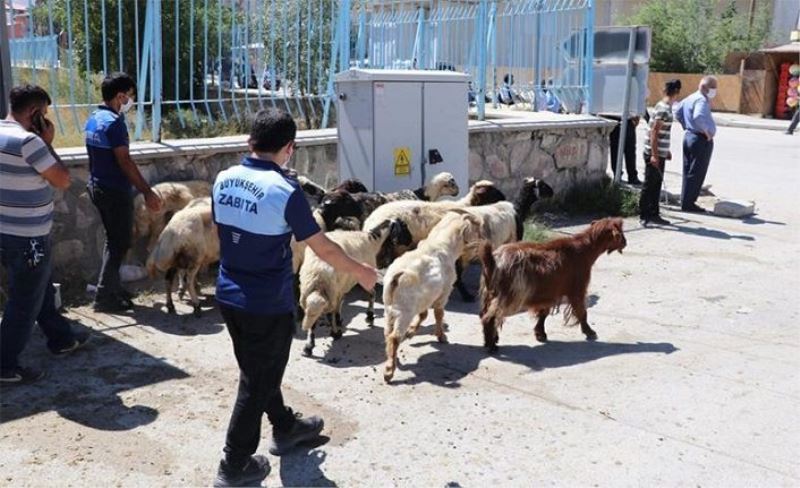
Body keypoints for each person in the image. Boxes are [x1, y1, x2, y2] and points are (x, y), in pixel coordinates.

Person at [212, 108, 378, 487]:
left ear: (249, 141)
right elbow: (324, 248)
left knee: (259, 370)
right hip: (266, 303)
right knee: (255, 381)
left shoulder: (222, 179)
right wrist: (362, 271)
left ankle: (285, 426)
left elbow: (225, 235)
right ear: (289, 148)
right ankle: (233, 464)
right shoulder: (285, 191)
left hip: (229, 295)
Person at [0, 85, 91, 384]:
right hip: (28, 237)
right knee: (24, 301)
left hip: (5, 231)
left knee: (37, 289)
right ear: (35, 113)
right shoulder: (29, 143)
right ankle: (4, 365)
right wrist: (48, 143)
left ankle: (61, 338)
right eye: (45, 114)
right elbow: (63, 180)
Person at [85, 72, 162, 312]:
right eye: (129, 96)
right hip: (114, 191)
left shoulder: (94, 119)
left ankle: (111, 289)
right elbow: (125, 161)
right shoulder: (114, 123)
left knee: (114, 240)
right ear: (120, 96)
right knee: (120, 243)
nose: (131, 101)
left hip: (97, 186)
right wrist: (147, 192)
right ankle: (104, 297)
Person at [640, 79, 682, 227]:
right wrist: (655, 154)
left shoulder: (662, 105)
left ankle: (654, 213)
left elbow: (661, 133)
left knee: (656, 184)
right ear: (676, 92)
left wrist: (665, 150)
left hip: (658, 151)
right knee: (649, 184)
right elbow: (654, 132)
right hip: (653, 153)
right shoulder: (664, 108)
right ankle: (645, 215)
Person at [674, 76, 717, 213]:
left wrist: (686, 126)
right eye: (714, 88)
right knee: (697, 172)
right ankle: (689, 203)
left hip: (689, 137)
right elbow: (698, 116)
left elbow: (677, 112)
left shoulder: (690, 97)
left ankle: (685, 200)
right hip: (699, 139)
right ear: (706, 88)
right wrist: (707, 132)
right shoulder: (701, 100)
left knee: (688, 171)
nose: (715, 91)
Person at [608, 114, 642, 185]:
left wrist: (637, 116)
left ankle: (630, 176)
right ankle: (620, 175)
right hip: (616, 118)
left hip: (625, 119)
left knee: (628, 150)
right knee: (617, 149)